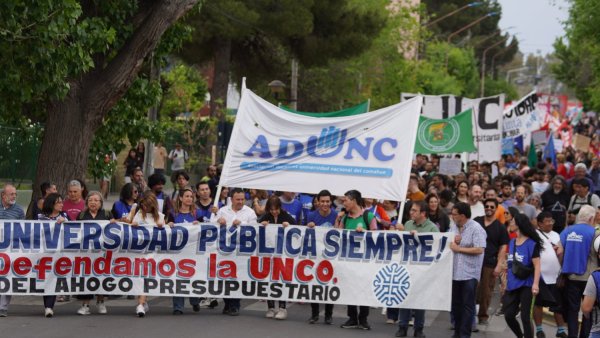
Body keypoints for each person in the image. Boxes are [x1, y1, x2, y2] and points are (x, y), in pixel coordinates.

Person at [210, 188, 258, 316]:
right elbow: (211, 227)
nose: (240, 202)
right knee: (225, 278)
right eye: (238, 199)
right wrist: (217, 220)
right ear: (231, 199)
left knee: (238, 278)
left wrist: (242, 223)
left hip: (241, 251)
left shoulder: (250, 212)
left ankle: (235, 305)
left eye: (242, 199)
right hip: (225, 251)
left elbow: (255, 229)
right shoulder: (223, 211)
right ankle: (227, 303)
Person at [396, 201, 438, 338]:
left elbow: (436, 246)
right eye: (411, 210)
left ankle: (418, 329)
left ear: (423, 214)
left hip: (423, 270)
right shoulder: (408, 224)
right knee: (404, 297)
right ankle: (402, 327)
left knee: (420, 299)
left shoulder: (432, 228)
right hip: (407, 267)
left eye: (414, 210)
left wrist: (419, 238)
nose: (411, 212)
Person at [335, 189, 376, 330]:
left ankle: (363, 318)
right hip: (349, 260)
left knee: (364, 288)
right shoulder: (345, 218)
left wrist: (365, 233)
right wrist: (338, 220)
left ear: (354, 201)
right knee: (350, 288)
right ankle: (352, 318)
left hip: (365, 261)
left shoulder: (368, 216)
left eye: (346, 200)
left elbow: (377, 238)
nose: (344, 202)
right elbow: (337, 237)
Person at [560, 205, 599, 338]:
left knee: (572, 310)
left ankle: (572, 335)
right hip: (590, 278)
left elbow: (559, 251)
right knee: (588, 311)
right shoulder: (595, 233)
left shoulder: (567, 230)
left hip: (571, 277)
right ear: (591, 218)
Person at [449, 202, 486, 338]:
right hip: (454, 273)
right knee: (456, 305)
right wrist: (453, 242)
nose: (452, 217)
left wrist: (460, 248)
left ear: (462, 216)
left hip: (469, 274)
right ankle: (457, 332)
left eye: (454, 214)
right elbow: (447, 244)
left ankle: (465, 334)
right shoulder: (452, 227)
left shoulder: (476, 228)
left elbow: (480, 249)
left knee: (467, 306)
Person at [503, 214, 542, 338]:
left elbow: (537, 265)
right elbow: (510, 263)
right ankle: (520, 336)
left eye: (513, 221)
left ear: (518, 224)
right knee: (508, 315)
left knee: (526, 317)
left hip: (527, 285)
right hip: (512, 284)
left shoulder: (531, 244)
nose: (510, 223)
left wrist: (535, 284)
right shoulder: (512, 241)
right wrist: (504, 280)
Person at [258, 196, 296, 320]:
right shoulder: (266, 216)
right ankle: (270, 308)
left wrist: (288, 226)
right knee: (268, 280)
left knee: (281, 280)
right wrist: (261, 224)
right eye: (271, 209)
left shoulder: (286, 216)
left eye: (276, 209)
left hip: (282, 254)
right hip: (268, 253)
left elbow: (298, 227)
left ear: (280, 208)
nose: (274, 212)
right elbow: (256, 227)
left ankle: (282, 308)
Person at [75, 191, 113, 315]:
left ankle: (101, 301)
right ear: (86, 202)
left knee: (101, 276)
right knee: (87, 278)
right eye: (90, 200)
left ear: (101, 203)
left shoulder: (106, 214)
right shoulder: (81, 215)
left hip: (102, 253)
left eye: (96, 200)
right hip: (86, 253)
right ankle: (85, 305)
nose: (93, 202)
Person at [474, 198, 509, 325]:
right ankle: (468, 314)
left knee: (486, 290)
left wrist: (499, 265)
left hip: (489, 262)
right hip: (473, 261)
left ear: (496, 209)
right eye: (487, 206)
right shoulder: (476, 221)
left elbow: (503, 248)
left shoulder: (500, 227)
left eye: (492, 207)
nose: (489, 208)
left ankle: (482, 316)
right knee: (471, 288)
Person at [130, 193, 165, 317]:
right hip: (139, 252)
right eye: (143, 205)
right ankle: (141, 302)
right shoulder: (138, 216)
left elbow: (165, 236)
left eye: (147, 205)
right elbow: (131, 231)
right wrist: (133, 226)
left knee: (145, 277)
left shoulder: (160, 217)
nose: (145, 208)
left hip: (153, 252)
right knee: (140, 277)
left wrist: (163, 227)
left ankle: (141, 303)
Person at [167, 188, 202, 315]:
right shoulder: (173, 213)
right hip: (178, 252)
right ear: (181, 198)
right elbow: (166, 229)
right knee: (178, 278)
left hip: (193, 251)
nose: (189, 199)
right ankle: (178, 307)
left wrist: (200, 224)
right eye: (186, 196)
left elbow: (207, 228)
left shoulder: (197, 213)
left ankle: (194, 300)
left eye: (191, 197)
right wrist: (169, 225)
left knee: (193, 277)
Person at [533, 211, 567, 338]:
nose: (550, 223)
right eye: (547, 221)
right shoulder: (534, 236)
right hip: (540, 277)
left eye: (551, 221)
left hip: (555, 276)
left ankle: (561, 329)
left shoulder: (557, 235)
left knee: (558, 304)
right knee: (538, 304)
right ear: (540, 223)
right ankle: (539, 329)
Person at [306, 190, 337, 324]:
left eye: (327, 201)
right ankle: (314, 314)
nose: (325, 204)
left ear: (331, 202)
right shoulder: (311, 215)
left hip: (331, 257)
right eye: (322, 201)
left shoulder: (336, 215)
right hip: (316, 256)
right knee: (314, 285)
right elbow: (305, 234)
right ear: (318, 202)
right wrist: (309, 227)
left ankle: (329, 315)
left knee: (329, 285)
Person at [37, 193, 68, 317]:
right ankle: (48, 306)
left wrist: (65, 222)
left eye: (62, 202)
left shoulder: (65, 216)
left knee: (54, 279)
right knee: (47, 279)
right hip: (43, 255)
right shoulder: (39, 217)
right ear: (51, 204)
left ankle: (49, 306)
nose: (61, 204)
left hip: (60, 255)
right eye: (58, 202)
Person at [0, 184, 24, 317]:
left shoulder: (19, 210)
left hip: (10, 250)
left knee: (7, 276)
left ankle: (3, 307)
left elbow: (23, 229)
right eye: (11, 194)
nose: (14, 196)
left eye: (15, 194)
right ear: (3, 195)